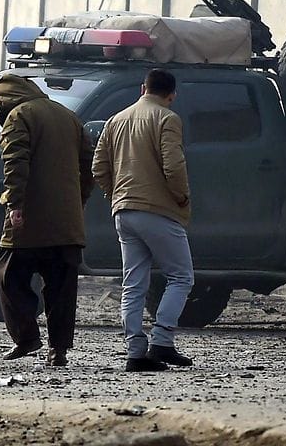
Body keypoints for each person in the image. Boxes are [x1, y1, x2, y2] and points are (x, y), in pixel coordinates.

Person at [91, 69, 194, 373]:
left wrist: (116, 196)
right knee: (181, 276)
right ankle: (162, 340)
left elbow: (99, 167)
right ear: (171, 95)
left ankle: (135, 352)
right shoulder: (167, 118)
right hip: (158, 210)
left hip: (124, 212)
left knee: (133, 283)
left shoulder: (116, 120)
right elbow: (173, 166)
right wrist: (182, 197)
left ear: (142, 88)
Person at [0, 74, 94, 367]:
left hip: (28, 219)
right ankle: (57, 350)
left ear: (5, 99)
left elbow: (15, 162)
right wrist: (79, 200)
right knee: (61, 287)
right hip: (66, 221)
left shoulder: (19, 116)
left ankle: (27, 337)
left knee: (7, 275)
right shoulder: (68, 116)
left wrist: (15, 204)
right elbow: (89, 164)